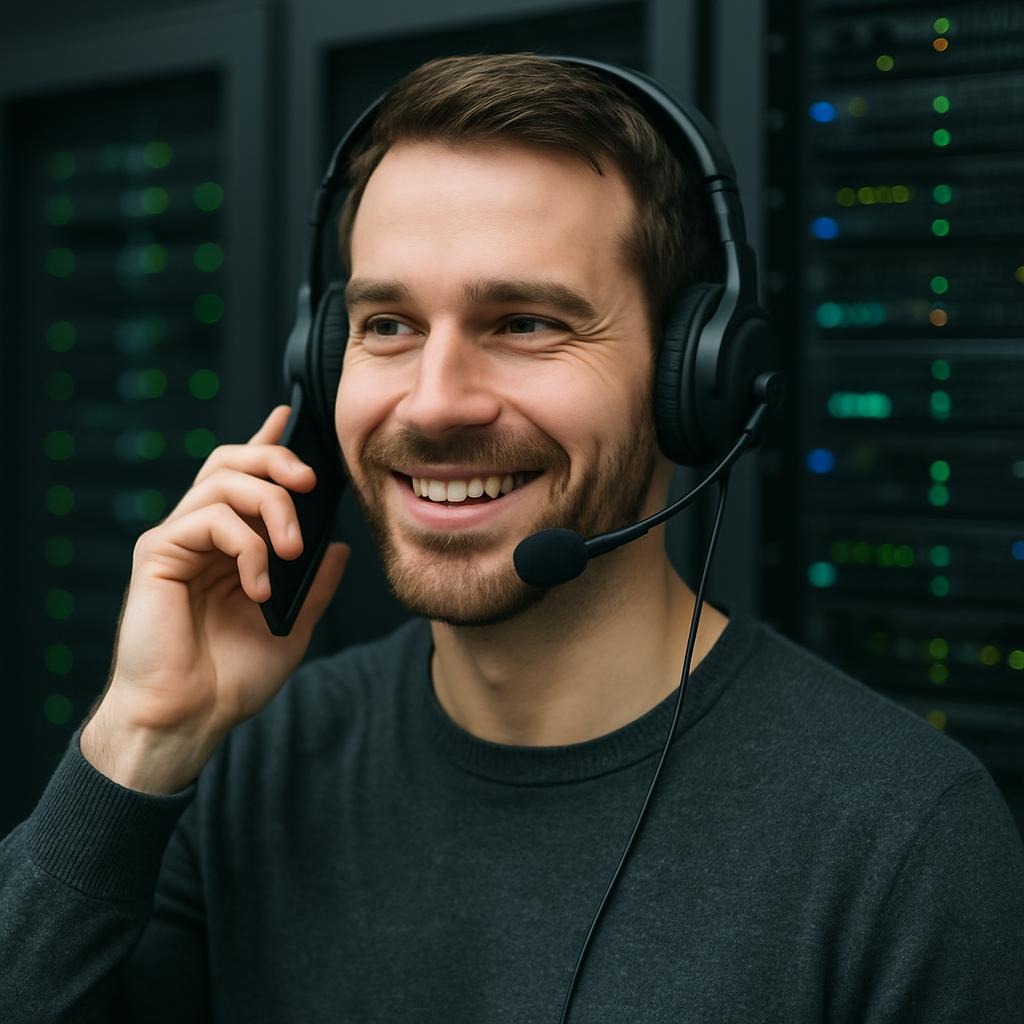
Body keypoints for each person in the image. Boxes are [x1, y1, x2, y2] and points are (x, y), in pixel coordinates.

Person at [2, 53, 1022, 1024]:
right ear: (320, 364)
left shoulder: (902, 840)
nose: (435, 402)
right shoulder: (245, 767)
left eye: (525, 322)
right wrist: (138, 736)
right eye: (388, 325)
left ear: (692, 377)